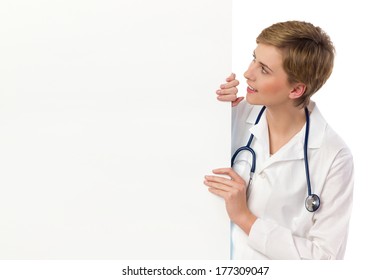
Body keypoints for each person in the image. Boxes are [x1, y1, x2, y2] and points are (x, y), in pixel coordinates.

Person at [203, 21, 354, 260]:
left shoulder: (333, 156)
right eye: (254, 58)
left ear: (296, 90)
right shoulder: (235, 115)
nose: (247, 73)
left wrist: (244, 218)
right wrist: (210, 106)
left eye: (263, 69)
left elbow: (325, 259)